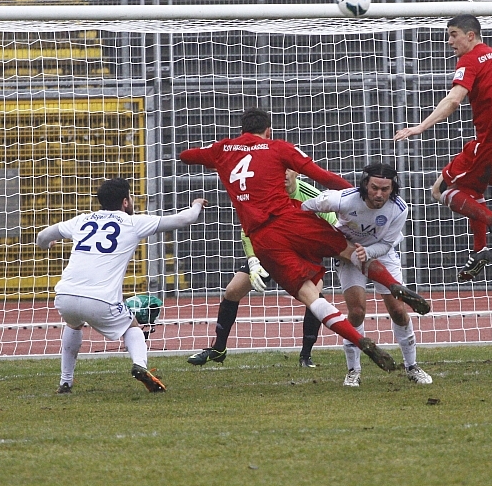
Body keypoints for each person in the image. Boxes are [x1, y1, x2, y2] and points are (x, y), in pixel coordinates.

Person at [179, 108, 431, 374]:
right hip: (294, 220)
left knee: (311, 296)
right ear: (269, 131)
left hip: (265, 241)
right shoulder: (279, 148)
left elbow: (186, 156)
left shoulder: (223, 150)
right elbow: (322, 176)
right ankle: (392, 286)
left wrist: (218, 156)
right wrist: (356, 196)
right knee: (349, 251)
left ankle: (356, 341)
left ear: (241, 130)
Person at [394, 14, 492, 282]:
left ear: (470, 35)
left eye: (453, 34)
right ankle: (480, 251)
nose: (449, 41)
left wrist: (420, 127)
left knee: (440, 190)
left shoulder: (470, 59)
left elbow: (454, 100)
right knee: (472, 191)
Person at [36, 178, 206, 393]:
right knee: (131, 326)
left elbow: (42, 236)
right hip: (99, 299)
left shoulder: (82, 220)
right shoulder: (132, 222)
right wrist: (197, 205)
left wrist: (46, 244)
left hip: (65, 296)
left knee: (73, 324)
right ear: (125, 202)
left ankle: (65, 382)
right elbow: (184, 219)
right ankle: (140, 365)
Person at [187, 169, 337, 368]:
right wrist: (253, 261)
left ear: (297, 173)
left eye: (288, 170)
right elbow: (247, 230)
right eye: (279, 169)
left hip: (303, 254)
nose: (283, 174)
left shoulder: (313, 197)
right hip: (270, 251)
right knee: (232, 291)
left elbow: (335, 226)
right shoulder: (265, 195)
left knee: (315, 299)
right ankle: (218, 349)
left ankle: (305, 356)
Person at [302, 162, 433, 387]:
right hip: (348, 254)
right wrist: (321, 236)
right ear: (365, 184)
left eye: (385, 189)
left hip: (382, 254)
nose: (379, 194)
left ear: (393, 188)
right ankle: (353, 370)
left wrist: (368, 252)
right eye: (374, 188)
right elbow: (305, 208)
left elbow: (387, 244)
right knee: (357, 311)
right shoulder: (341, 199)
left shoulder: (399, 208)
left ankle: (412, 366)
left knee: (398, 311)